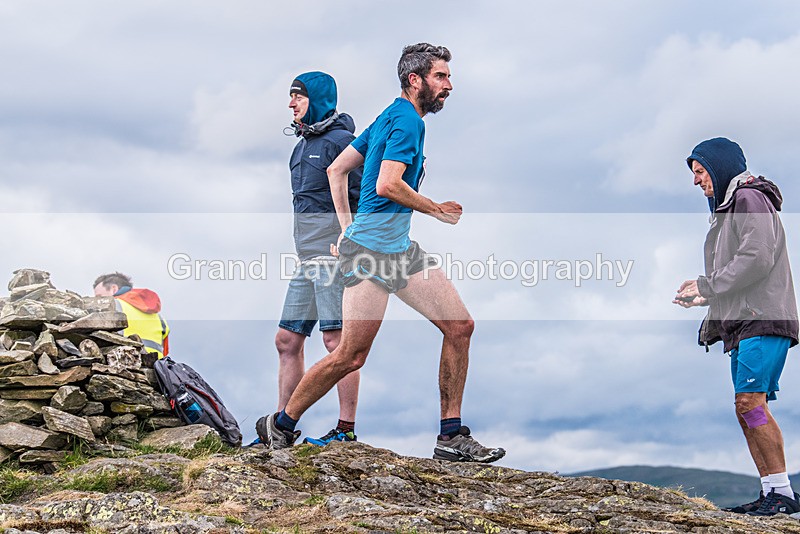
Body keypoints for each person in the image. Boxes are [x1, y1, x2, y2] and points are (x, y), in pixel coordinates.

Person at [256, 43, 505, 463]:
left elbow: (337, 169)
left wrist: (345, 227)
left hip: (396, 248)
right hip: (371, 253)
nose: (449, 86)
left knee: (460, 326)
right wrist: (435, 209)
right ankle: (280, 425)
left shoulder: (390, 115)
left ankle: (451, 435)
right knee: (350, 354)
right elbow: (387, 184)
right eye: (441, 77)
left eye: (447, 77)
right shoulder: (406, 121)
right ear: (415, 79)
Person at [674, 137, 799, 516]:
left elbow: (757, 257)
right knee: (745, 406)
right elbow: (740, 269)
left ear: (719, 166)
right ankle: (773, 492)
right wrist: (704, 295)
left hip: (763, 319)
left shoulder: (748, 198)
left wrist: (708, 286)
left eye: (701, 172)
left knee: (750, 402)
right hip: (744, 323)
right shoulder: (731, 207)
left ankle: (782, 495)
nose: (697, 181)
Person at [273, 71, 363, 446]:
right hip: (306, 258)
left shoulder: (343, 142)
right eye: (291, 96)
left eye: (298, 96)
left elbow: (363, 194)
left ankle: (345, 430)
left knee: (336, 342)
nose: (291, 103)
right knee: (286, 341)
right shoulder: (300, 146)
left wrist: (350, 241)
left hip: (332, 257)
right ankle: (281, 430)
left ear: (319, 99)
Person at [93, 272, 170, 359]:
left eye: (99, 297)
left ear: (113, 289)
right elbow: (165, 352)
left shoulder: (114, 305)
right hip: (154, 368)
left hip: (123, 362)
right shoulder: (159, 318)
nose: (96, 301)